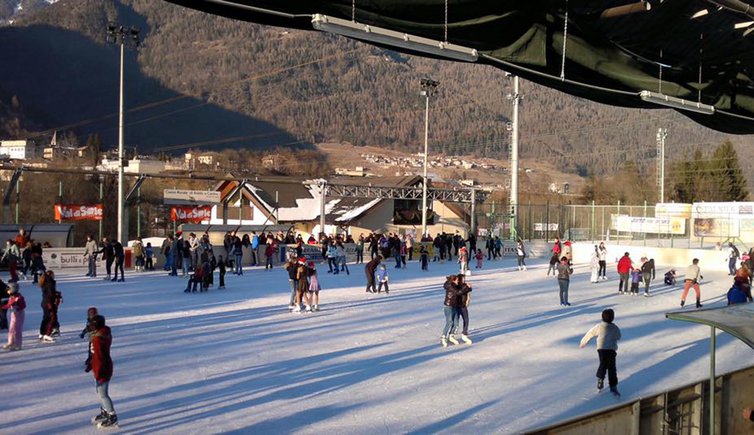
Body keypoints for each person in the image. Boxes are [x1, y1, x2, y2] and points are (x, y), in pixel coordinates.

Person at [580, 308, 622, 396]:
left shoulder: (599, 326)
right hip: (611, 349)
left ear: (602, 317)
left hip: (601, 349)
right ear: (613, 318)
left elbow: (590, 333)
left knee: (603, 364)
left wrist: (583, 342)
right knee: (612, 367)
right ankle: (613, 385)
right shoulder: (614, 328)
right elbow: (618, 336)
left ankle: (600, 379)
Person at [86, 315, 118, 428]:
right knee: (100, 393)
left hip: (102, 369)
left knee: (103, 394)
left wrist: (98, 373)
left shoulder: (98, 339)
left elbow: (99, 357)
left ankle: (112, 416)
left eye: (92, 324)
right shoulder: (102, 334)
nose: (90, 326)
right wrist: (91, 364)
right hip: (101, 367)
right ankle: (105, 411)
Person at [440, 274, 465, 347]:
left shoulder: (454, 286)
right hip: (448, 307)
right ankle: (443, 336)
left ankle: (451, 335)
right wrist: (467, 287)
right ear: (453, 280)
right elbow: (458, 292)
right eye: (457, 280)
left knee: (456, 322)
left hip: (454, 306)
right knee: (450, 322)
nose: (458, 281)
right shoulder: (451, 286)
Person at [2, 283, 25, 351]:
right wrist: (3, 307)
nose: (7, 291)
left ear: (13, 289)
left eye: (8, 290)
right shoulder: (11, 297)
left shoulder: (19, 297)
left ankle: (18, 345)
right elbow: (8, 305)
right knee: (11, 329)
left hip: (19, 315)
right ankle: (11, 342)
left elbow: (23, 306)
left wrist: (17, 307)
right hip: (13, 315)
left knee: (17, 330)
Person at [454, 274, 473, 344]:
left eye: (464, 278)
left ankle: (464, 333)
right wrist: (467, 287)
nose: (464, 280)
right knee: (455, 321)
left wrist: (469, 287)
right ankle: (451, 334)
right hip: (457, 306)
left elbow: (469, 290)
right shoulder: (456, 286)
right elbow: (458, 293)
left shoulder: (465, 285)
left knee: (466, 319)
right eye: (462, 279)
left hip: (463, 306)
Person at [39, 271, 57, 342]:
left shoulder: (45, 281)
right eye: (53, 274)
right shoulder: (50, 281)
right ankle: (47, 334)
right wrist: (56, 297)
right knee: (51, 318)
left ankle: (42, 333)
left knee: (46, 318)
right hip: (48, 302)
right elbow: (51, 293)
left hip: (44, 302)